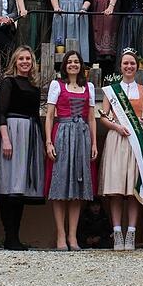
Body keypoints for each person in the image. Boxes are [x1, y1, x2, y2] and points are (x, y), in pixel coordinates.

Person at [97, 49, 143, 251]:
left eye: (132, 63)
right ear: (120, 67)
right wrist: (117, 126)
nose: (129, 66)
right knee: (116, 189)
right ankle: (117, 233)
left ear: (137, 67)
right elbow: (103, 117)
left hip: (137, 141)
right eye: (125, 63)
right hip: (117, 139)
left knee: (133, 190)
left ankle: (131, 232)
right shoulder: (110, 90)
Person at [44, 50, 98, 250]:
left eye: (76, 62)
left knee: (77, 187)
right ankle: (61, 235)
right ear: (65, 65)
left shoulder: (89, 87)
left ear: (81, 66)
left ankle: (73, 236)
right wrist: (49, 142)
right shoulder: (56, 85)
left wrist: (94, 143)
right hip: (62, 134)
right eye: (70, 62)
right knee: (59, 186)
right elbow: (50, 115)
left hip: (82, 136)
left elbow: (91, 117)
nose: (73, 65)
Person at [0, 45, 46, 251]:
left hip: (30, 135)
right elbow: (1, 112)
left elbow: (36, 115)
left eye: (28, 59)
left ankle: (15, 237)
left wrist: (41, 143)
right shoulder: (8, 83)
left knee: (21, 188)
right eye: (21, 59)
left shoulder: (34, 87)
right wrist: (6, 139)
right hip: (13, 133)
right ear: (15, 62)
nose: (25, 62)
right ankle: (9, 237)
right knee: (10, 185)